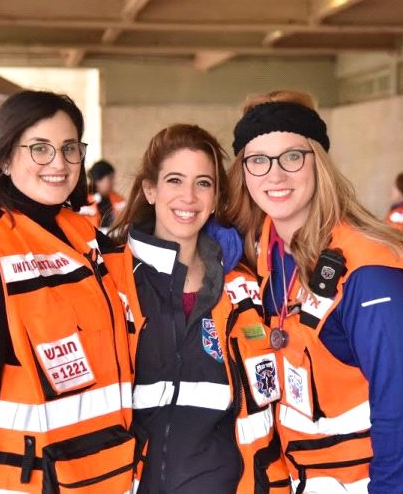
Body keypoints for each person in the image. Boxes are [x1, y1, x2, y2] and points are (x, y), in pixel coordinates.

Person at [227, 91, 403, 494]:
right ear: (244, 172)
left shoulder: (368, 271)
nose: (275, 175)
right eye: (258, 160)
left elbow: (398, 409)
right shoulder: (269, 248)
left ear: (318, 163)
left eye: (292, 156)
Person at [0, 91, 134, 494]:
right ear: (5, 158)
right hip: (23, 481)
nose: (58, 163)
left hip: (101, 477)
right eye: (39, 149)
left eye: (69, 148)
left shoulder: (85, 236)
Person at [104, 124, 288, 493]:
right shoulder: (111, 281)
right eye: (174, 180)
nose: (188, 197)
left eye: (203, 183)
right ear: (150, 190)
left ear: (216, 196)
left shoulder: (244, 287)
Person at [79, 159, 126, 231]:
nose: (113, 182)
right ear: (98, 180)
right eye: (110, 179)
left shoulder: (118, 199)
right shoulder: (82, 201)